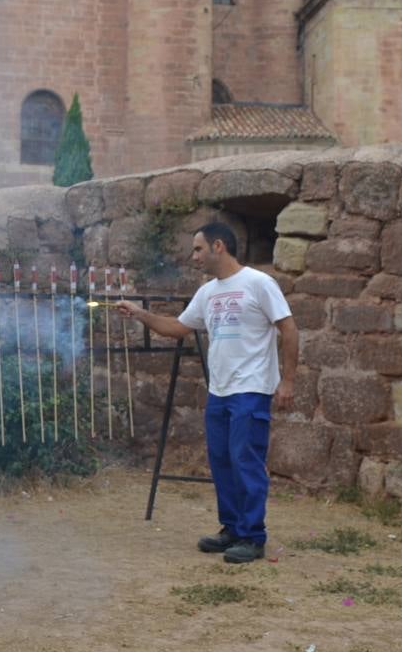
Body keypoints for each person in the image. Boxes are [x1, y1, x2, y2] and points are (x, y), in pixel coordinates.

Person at [117, 222, 298, 564]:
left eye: (198, 249)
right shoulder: (207, 292)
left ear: (218, 246)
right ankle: (231, 529)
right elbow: (178, 328)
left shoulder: (259, 283)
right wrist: (141, 314)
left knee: (246, 460)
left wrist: (287, 381)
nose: (193, 256)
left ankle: (252, 536)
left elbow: (288, 328)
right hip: (220, 390)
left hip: (252, 388)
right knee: (222, 461)